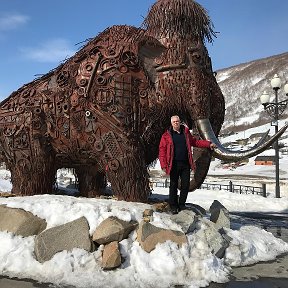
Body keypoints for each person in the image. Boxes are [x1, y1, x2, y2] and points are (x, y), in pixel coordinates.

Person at [158, 115, 216, 214]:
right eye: (174, 122)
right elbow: (162, 151)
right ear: (171, 123)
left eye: (177, 121)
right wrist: (163, 165)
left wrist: (208, 144)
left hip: (185, 164)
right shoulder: (166, 135)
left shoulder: (185, 133)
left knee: (185, 185)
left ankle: (181, 204)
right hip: (174, 164)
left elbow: (195, 142)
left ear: (180, 122)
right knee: (173, 185)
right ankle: (173, 205)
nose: (176, 123)